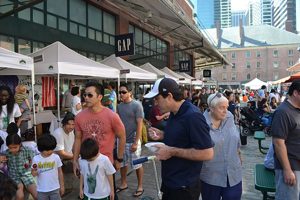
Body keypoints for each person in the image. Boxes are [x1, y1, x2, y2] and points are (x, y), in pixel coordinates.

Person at [144, 78, 214, 200]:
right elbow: (183, 136)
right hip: (170, 182)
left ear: (169, 96)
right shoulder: (174, 113)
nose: (155, 103)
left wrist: (171, 151)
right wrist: (163, 134)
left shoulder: (193, 116)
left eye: (157, 99)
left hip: (184, 187)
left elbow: (207, 153)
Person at [72, 81, 126, 198]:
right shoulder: (79, 117)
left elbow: (122, 136)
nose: (86, 97)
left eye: (90, 95)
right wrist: (75, 160)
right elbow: (77, 139)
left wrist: (119, 159)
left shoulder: (112, 116)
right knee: (87, 194)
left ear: (100, 97)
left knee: (109, 194)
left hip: (106, 163)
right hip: (86, 162)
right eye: (84, 95)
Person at [200, 93, 242, 200]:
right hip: (211, 176)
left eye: (226, 107)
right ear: (211, 108)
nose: (225, 110)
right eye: (221, 108)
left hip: (233, 174)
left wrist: (239, 155)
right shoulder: (201, 123)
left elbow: (236, 139)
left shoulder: (229, 117)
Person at [271, 80, 300, 200]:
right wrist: (287, 170)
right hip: (291, 167)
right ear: (296, 93)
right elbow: (278, 143)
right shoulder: (283, 112)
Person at [116, 83, 144, 197]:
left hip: (132, 140)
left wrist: (136, 142)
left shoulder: (137, 105)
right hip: (121, 140)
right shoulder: (119, 106)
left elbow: (140, 125)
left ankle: (140, 186)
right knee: (122, 163)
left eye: (123, 92)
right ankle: (123, 183)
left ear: (130, 93)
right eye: (120, 92)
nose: (121, 94)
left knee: (137, 164)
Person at [31, 134, 64, 199]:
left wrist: (62, 185)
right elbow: (33, 173)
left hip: (55, 188)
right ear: (40, 149)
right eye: (47, 150)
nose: (49, 152)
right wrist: (35, 172)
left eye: (51, 149)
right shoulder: (36, 159)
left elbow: (60, 172)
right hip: (41, 190)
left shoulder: (56, 157)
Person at [5, 133, 37, 200]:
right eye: (10, 148)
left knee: (36, 194)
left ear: (20, 144)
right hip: (14, 176)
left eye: (15, 147)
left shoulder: (27, 150)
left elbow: (35, 160)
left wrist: (33, 169)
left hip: (27, 175)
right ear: (7, 146)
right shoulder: (6, 153)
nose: (13, 150)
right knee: (20, 195)